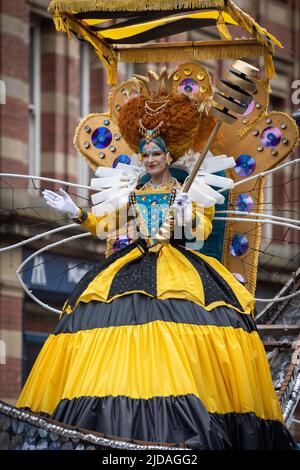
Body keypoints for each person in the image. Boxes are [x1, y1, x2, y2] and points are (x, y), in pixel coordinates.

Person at [16, 84, 296, 450]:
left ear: (167, 156)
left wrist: (185, 214)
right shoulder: (135, 191)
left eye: (155, 153)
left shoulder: (190, 190)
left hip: (182, 270)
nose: (149, 159)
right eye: (145, 153)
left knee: (178, 339)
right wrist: (77, 212)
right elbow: (108, 224)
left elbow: (203, 229)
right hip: (131, 265)